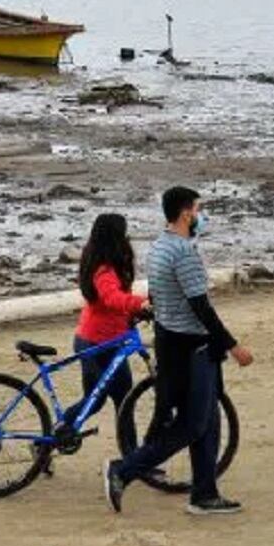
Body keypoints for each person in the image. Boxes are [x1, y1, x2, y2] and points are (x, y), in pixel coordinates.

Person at [103, 186, 253, 516]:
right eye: (197, 209)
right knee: (193, 425)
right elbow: (201, 306)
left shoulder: (158, 248)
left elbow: (159, 298)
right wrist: (233, 346)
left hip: (173, 343)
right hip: (192, 349)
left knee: (210, 422)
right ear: (186, 213)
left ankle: (204, 493)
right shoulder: (183, 252)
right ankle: (124, 470)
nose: (199, 216)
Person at [59, 213, 149, 444]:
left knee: (122, 401)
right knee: (97, 401)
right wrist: (141, 302)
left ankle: (132, 460)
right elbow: (112, 298)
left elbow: (117, 302)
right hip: (96, 344)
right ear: (114, 238)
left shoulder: (106, 263)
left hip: (109, 341)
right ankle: (53, 436)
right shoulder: (104, 270)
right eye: (124, 234)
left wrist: (135, 311)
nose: (128, 238)